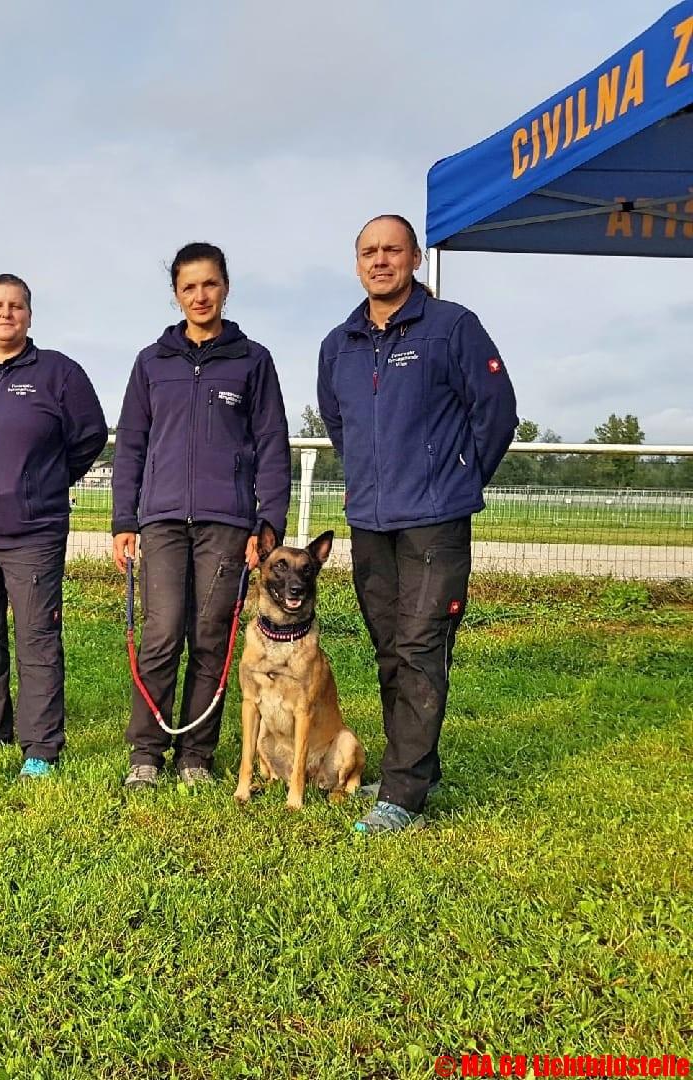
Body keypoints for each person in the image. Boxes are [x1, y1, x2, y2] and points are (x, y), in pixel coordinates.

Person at [318, 214, 516, 833]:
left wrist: (454, 484)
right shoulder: (338, 344)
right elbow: (340, 426)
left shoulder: (453, 328)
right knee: (388, 647)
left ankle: (402, 795)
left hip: (436, 521)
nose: (381, 261)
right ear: (358, 264)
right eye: (370, 252)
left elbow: (497, 414)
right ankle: (414, 767)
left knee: (422, 645)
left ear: (415, 260)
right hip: (371, 520)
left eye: (393, 250)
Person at [112, 242, 291, 790]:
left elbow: (271, 445)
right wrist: (125, 520)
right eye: (188, 287)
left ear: (225, 287)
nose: (200, 296)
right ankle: (146, 753)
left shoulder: (252, 360)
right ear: (175, 294)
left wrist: (268, 524)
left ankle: (196, 756)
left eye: (209, 284)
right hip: (162, 521)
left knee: (211, 637)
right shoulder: (151, 362)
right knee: (161, 635)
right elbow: (132, 446)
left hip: (227, 523)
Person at [0, 273, 107, 779]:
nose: (6, 313)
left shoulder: (59, 374)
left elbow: (89, 437)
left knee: (36, 639)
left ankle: (41, 743)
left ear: (29, 314)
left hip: (33, 534)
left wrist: (45, 482)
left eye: (16, 305)